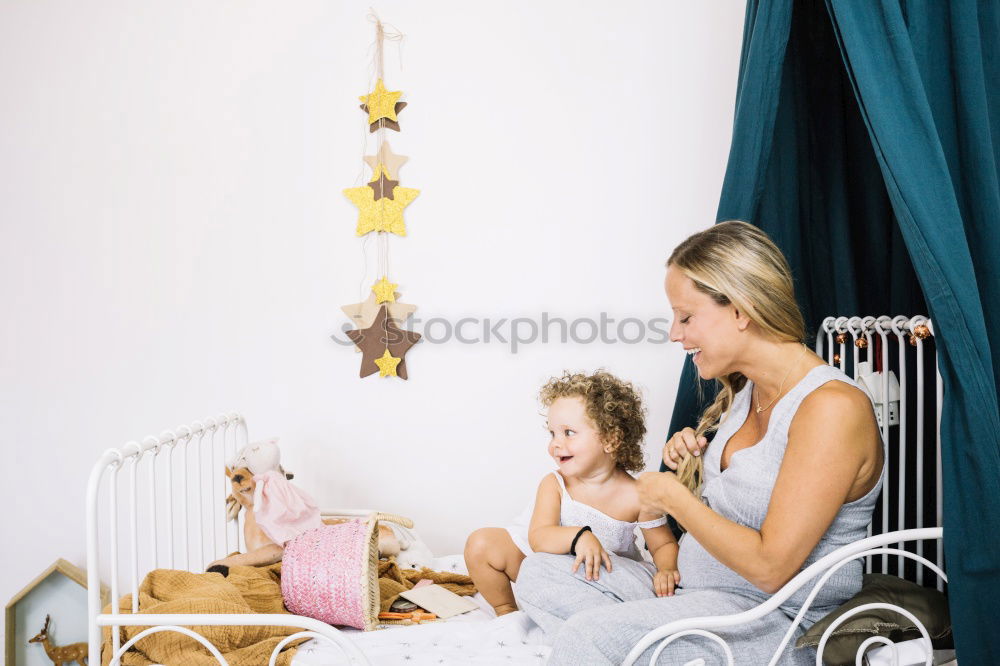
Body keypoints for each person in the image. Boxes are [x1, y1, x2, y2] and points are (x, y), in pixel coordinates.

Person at [514, 221, 885, 664]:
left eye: (685, 316)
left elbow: (771, 568)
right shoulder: (749, 392)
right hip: (695, 591)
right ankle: (645, 638)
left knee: (588, 637)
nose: (674, 333)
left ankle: (628, 640)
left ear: (741, 310)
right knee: (537, 572)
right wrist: (691, 460)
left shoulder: (831, 408)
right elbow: (741, 495)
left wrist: (675, 499)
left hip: (771, 618)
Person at [464, 370, 680, 617]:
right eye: (552, 433)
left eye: (568, 432)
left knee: (626, 594)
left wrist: (666, 569)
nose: (555, 443)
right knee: (481, 543)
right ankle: (507, 611)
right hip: (547, 570)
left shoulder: (639, 494)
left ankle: (590, 616)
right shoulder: (555, 483)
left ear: (610, 439)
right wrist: (579, 537)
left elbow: (662, 544)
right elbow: (539, 537)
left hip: (599, 581)